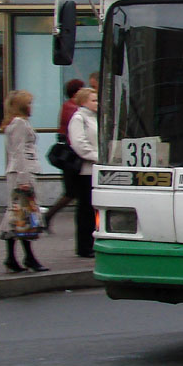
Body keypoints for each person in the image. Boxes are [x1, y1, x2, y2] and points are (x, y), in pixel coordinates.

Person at [0, 90, 48, 273]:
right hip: (23, 171)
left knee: (19, 214)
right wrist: (23, 178)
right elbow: (18, 151)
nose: (31, 106)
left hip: (20, 171)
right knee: (22, 213)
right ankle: (27, 258)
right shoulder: (19, 123)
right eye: (29, 103)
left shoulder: (14, 122)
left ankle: (15, 257)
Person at [43, 78, 84, 231]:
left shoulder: (70, 106)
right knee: (71, 192)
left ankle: (48, 216)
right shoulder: (72, 108)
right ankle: (48, 216)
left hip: (71, 154)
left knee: (72, 192)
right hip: (71, 156)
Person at [67, 86, 98, 258]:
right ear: (84, 101)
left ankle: (91, 242)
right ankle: (84, 245)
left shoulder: (95, 118)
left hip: (96, 169)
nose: (97, 103)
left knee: (92, 209)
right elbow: (79, 143)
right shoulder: (79, 118)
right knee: (85, 209)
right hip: (86, 170)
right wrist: (96, 156)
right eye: (93, 100)